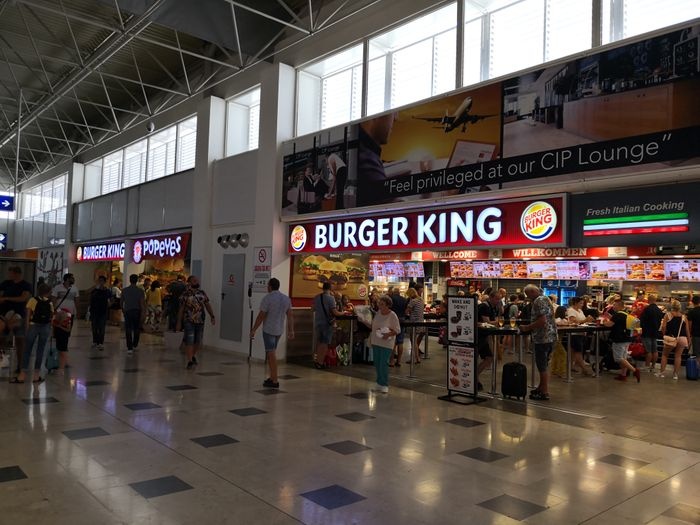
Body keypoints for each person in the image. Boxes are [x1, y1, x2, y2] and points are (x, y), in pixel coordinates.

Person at [250, 278, 294, 389]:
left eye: (267, 286)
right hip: (279, 330)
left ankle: (274, 380)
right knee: (271, 353)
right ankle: (271, 377)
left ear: (270, 287)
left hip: (269, 330)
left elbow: (261, 316)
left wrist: (254, 329)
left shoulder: (267, 298)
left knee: (271, 354)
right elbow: (290, 316)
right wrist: (291, 330)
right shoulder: (286, 299)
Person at [519, 284, 557, 400]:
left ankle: (544, 391)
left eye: (528, 294)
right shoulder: (546, 298)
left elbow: (542, 321)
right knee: (545, 363)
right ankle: (541, 387)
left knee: (541, 365)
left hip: (542, 337)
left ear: (532, 292)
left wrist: (527, 327)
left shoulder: (538, 301)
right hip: (551, 336)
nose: (527, 297)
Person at [13, 283, 53, 384]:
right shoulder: (50, 302)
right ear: (48, 292)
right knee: (40, 351)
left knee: (27, 350)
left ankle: (22, 375)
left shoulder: (32, 300)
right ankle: (36, 375)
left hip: (33, 326)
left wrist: (27, 328)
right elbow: (51, 317)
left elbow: (28, 315)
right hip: (45, 327)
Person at [357, 112, 397, 207]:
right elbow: (389, 205)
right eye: (393, 111)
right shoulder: (365, 157)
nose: (396, 117)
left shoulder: (361, 149)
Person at [177, 275, 216, 369]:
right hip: (188, 320)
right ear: (189, 282)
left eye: (197, 280)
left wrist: (212, 315)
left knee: (198, 341)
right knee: (190, 340)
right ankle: (190, 360)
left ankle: (193, 355)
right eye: (194, 281)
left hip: (200, 320)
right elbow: (181, 309)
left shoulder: (202, 293)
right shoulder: (185, 294)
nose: (196, 282)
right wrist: (179, 322)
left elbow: (207, 304)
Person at [0, 265, 32, 376]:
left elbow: (23, 298)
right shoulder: (6, 283)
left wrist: (7, 298)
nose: (9, 275)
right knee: (2, 337)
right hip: (5, 314)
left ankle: (21, 366)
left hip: (19, 314)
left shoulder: (26, 285)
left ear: (17, 274)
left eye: (11, 273)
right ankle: (2, 358)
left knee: (20, 341)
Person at [603, 298, 641, 383]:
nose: (613, 306)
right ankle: (623, 375)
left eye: (615, 305)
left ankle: (635, 370)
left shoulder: (617, 315)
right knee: (624, 358)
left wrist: (604, 322)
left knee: (618, 358)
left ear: (619, 306)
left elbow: (609, 324)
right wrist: (611, 318)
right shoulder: (625, 314)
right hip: (627, 338)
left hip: (619, 339)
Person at [370, 295, 401, 394]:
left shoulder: (392, 315)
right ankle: (379, 382)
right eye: (379, 304)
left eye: (382, 304)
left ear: (388, 305)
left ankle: (384, 384)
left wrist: (388, 334)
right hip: (376, 341)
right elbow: (373, 326)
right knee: (377, 363)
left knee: (383, 363)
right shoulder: (378, 313)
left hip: (386, 343)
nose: (380, 306)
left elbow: (397, 330)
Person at [657, 300, 690, 380]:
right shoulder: (684, 317)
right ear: (679, 307)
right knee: (678, 356)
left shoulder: (668, 315)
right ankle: (675, 375)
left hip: (671, 338)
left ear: (672, 306)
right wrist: (689, 340)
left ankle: (662, 373)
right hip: (682, 338)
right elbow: (687, 330)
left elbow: (663, 327)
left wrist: (664, 334)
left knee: (665, 355)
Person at [52, 273, 78, 371]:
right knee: (58, 333)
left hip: (70, 314)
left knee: (66, 333)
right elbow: (53, 299)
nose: (73, 280)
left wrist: (77, 312)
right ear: (67, 279)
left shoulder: (75, 289)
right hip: (59, 314)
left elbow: (77, 300)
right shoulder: (57, 288)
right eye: (72, 278)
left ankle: (64, 356)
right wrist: (54, 310)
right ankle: (59, 354)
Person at [312, 282, 342, 369]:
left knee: (319, 342)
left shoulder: (317, 297)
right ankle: (320, 363)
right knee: (325, 343)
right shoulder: (331, 298)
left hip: (318, 322)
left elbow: (312, 309)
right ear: (330, 288)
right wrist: (343, 313)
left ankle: (317, 360)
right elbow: (335, 312)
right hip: (326, 323)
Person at [476, 290, 501, 391]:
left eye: (499, 299)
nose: (498, 301)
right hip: (478, 335)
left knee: (489, 358)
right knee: (477, 357)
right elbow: (487, 322)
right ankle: (474, 378)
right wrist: (497, 322)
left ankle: (475, 375)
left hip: (484, 336)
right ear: (491, 298)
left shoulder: (494, 307)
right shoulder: (484, 306)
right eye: (497, 299)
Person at [565, 297, 595, 375]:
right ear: (575, 303)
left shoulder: (580, 310)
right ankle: (584, 369)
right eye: (580, 303)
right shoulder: (571, 310)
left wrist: (588, 320)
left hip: (581, 333)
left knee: (572, 351)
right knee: (578, 352)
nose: (582, 305)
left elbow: (582, 321)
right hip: (575, 334)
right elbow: (574, 321)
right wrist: (586, 320)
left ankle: (570, 366)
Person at [121, 274, 146, 355]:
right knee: (136, 328)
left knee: (128, 329)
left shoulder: (124, 290)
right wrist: (143, 312)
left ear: (130, 280)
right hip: (137, 311)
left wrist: (123, 310)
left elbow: (121, 302)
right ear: (137, 280)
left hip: (127, 311)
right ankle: (135, 344)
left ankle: (129, 347)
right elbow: (142, 303)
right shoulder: (140, 291)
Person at [639, 293, 664, 372]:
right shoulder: (659, 310)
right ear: (655, 300)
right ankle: (653, 366)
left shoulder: (647, 309)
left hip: (647, 332)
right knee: (655, 350)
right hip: (655, 332)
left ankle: (647, 366)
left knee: (648, 351)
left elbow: (642, 321)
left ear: (648, 300)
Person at [90, 275, 112, 350]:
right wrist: (94, 287)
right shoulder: (94, 290)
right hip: (94, 311)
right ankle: (95, 341)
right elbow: (87, 292)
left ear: (105, 282)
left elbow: (111, 299)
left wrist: (110, 303)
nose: (100, 282)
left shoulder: (107, 291)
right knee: (94, 327)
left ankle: (100, 342)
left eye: (102, 281)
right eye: (99, 281)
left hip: (103, 311)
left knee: (101, 328)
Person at [405, 287, 425, 364]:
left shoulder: (413, 301)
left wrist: (408, 311)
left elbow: (407, 311)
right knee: (414, 341)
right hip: (420, 322)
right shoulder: (421, 300)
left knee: (413, 341)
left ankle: (415, 358)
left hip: (414, 323)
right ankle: (417, 357)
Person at [388, 287, 407, 367]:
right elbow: (406, 311)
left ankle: (391, 361)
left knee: (393, 341)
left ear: (393, 292)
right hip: (402, 320)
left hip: (393, 320)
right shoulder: (404, 299)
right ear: (399, 292)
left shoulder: (391, 299)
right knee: (400, 342)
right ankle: (398, 361)